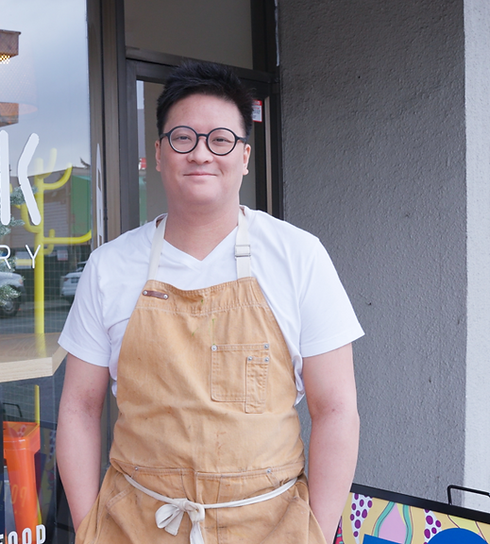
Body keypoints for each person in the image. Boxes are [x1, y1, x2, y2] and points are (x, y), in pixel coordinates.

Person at [57, 62, 363, 544]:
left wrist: (316, 533)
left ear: (244, 156)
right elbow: (77, 407)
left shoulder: (299, 256)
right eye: (183, 138)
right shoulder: (109, 266)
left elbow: (337, 410)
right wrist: (88, 528)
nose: (201, 153)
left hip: (271, 527)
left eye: (220, 140)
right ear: (159, 154)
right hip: (135, 528)